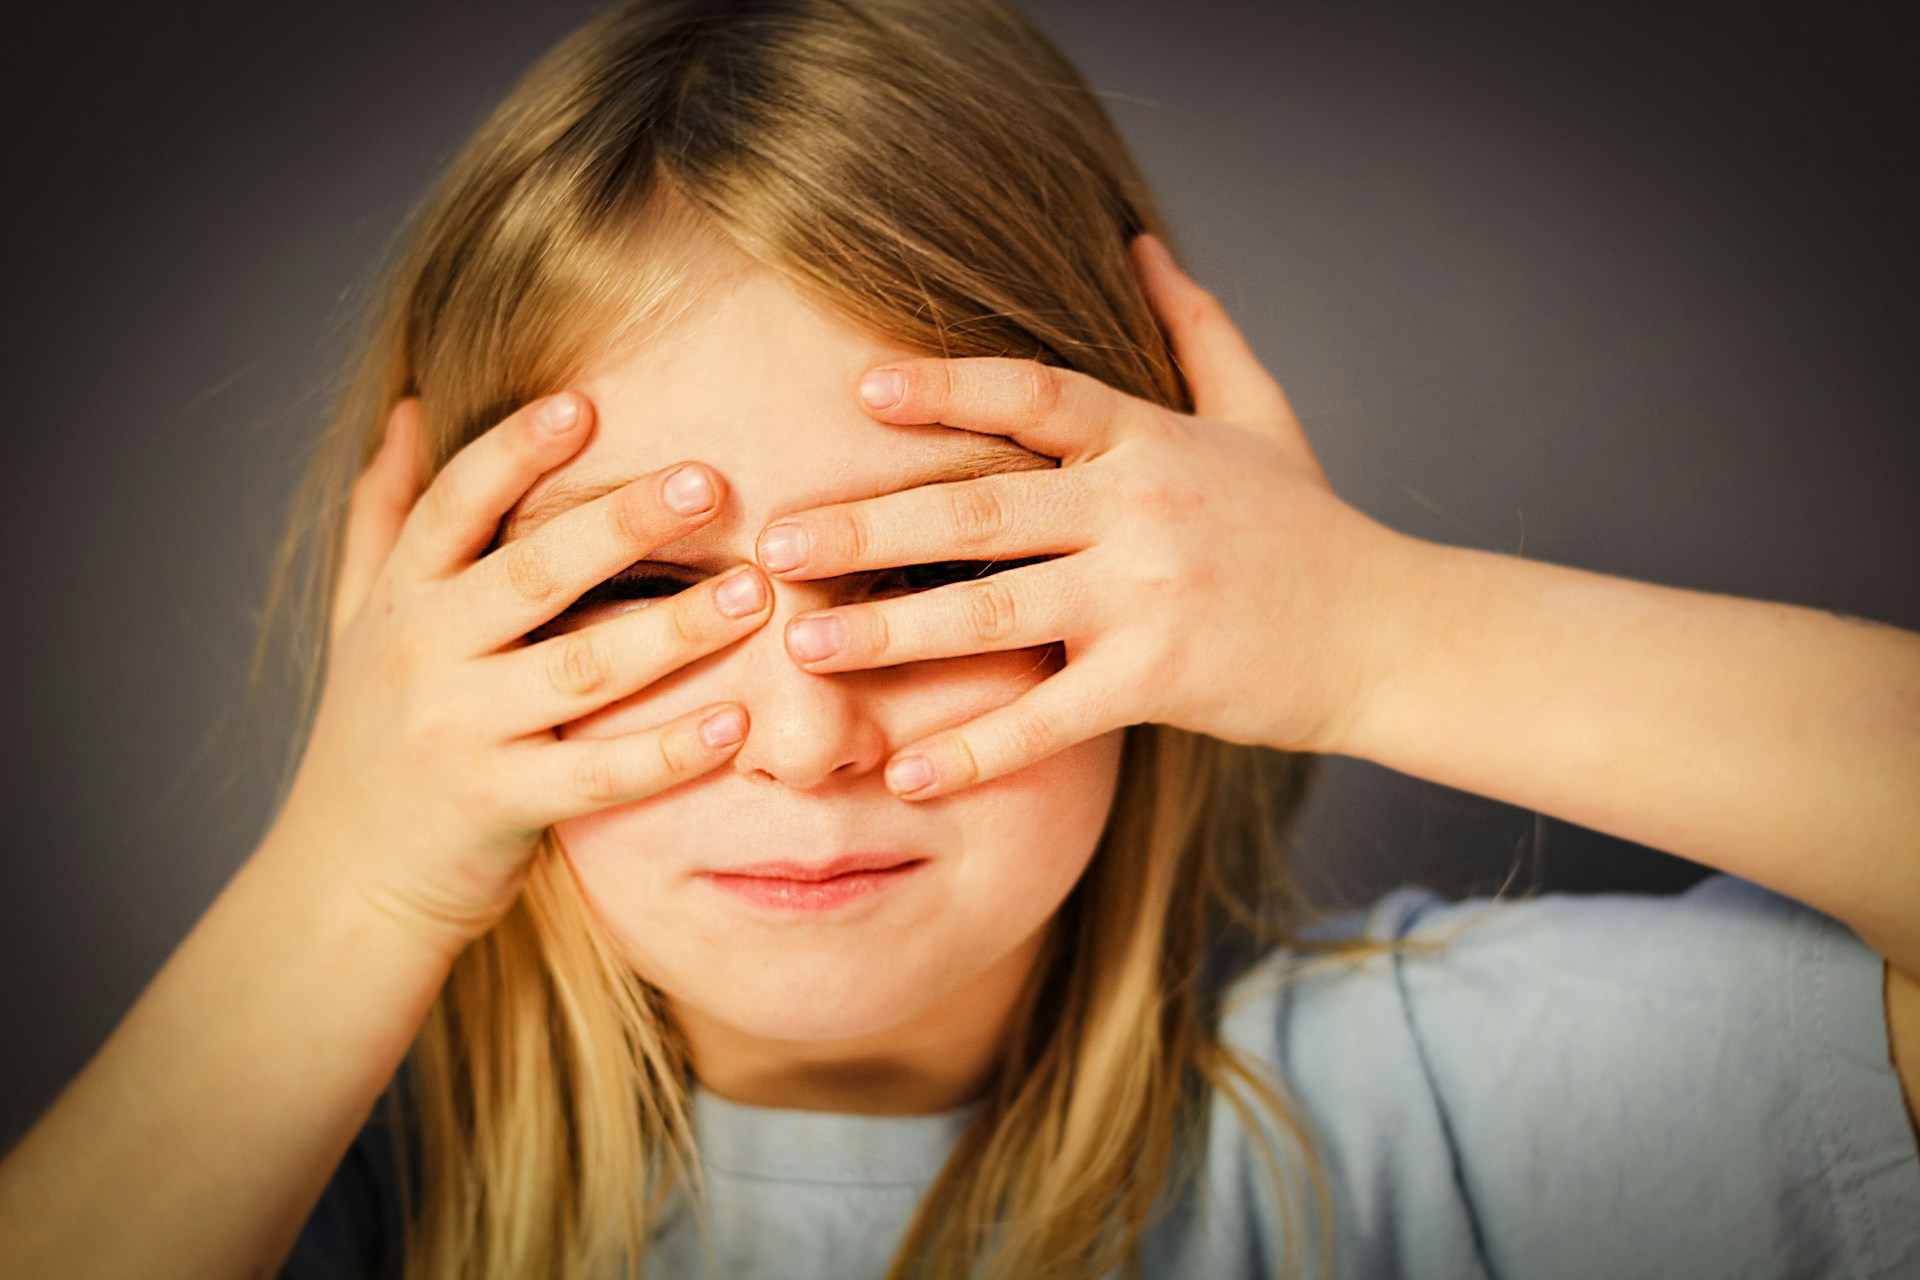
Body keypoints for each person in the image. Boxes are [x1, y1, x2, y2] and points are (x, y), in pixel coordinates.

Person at [2, 0, 1916, 1276]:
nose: (811, 742)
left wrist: (1375, 629)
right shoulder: (298, 1187)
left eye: (931, 577)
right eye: (640, 594)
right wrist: (354, 875)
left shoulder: (1443, 1107)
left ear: (1175, 585)